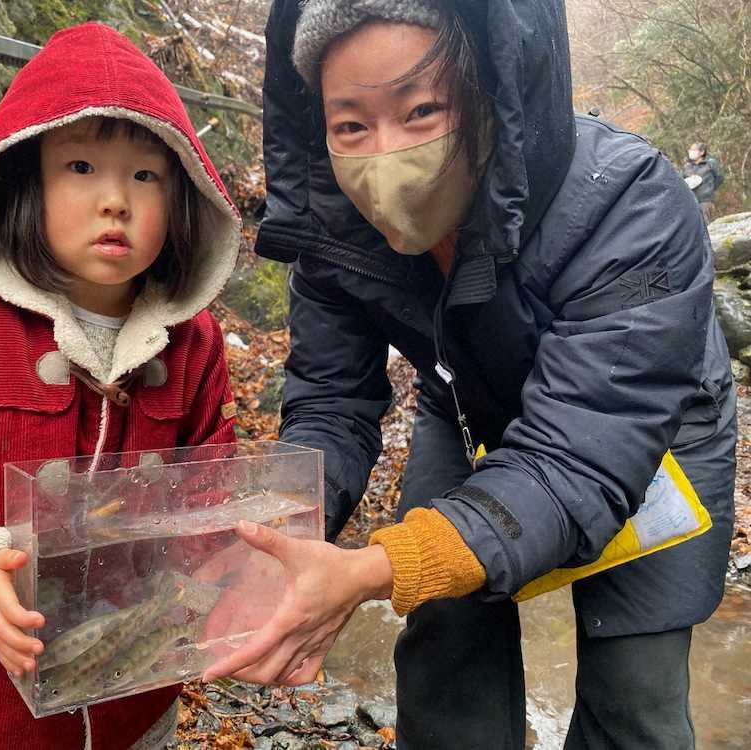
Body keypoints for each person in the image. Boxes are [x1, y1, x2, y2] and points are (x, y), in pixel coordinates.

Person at [203, 2, 736, 749]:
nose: (383, 157)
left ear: (493, 97)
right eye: (350, 125)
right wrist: (277, 532)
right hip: (464, 410)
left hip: (654, 433)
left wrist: (371, 569)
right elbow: (331, 400)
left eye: (421, 111)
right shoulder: (335, 233)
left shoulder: (629, 201)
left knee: (634, 689)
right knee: (443, 641)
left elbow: (574, 459)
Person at [0, 22, 242, 750]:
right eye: (82, 167)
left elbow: (208, 477)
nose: (116, 199)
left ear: (184, 197)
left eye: (146, 174)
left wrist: (218, 574)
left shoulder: (195, 343)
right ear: (24, 179)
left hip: (132, 686)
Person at [683, 142, 725, 223]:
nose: (690, 152)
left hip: (705, 200)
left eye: (693, 150)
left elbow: (720, 178)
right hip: (691, 200)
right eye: (690, 150)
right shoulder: (687, 166)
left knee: (706, 224)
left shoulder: (710, 163)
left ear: (702, 152)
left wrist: (709, 188)